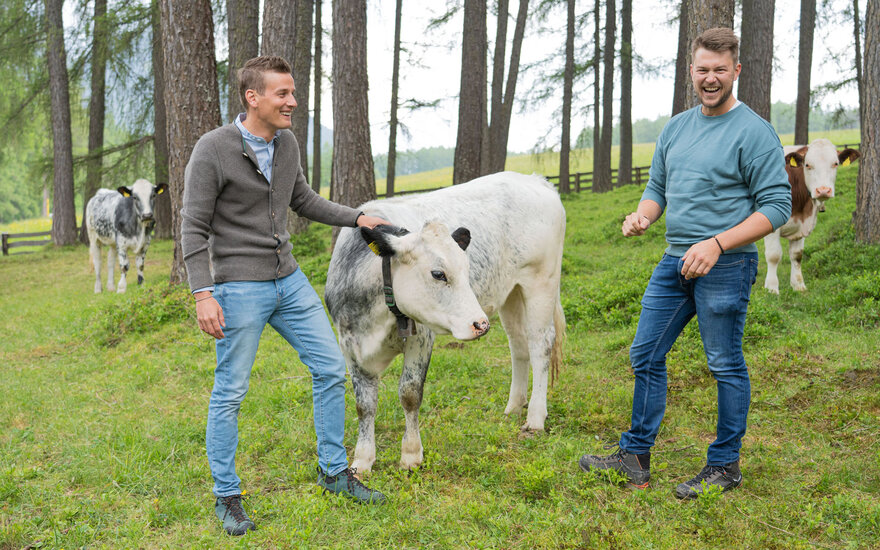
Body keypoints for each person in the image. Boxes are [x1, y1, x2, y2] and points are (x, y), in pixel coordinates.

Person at [577, 28, 791, 499]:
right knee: (645, 354)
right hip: (674, 262)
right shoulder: (676, 128)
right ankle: (634, 457)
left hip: (727, 266)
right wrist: (643, 216)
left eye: (719, 70)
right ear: (690, 72)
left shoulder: (754, 132)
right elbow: (659, 188)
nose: (709, 78)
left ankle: (725, 467)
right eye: (702, 70)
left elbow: (776, 206)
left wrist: (716, 244)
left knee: (724, 363)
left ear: (736, 71)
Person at [181, 56, 390, 536]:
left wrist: (357, 217)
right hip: (238, 286)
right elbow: (192, 227)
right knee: (230, 391)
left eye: (293, 93)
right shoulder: (212, 149)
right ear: (253, 97)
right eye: (283, 94)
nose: (293, 101)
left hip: (290, 281)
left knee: (330, 367)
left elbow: (303, 200)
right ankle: (227, 496)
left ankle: (334, 471)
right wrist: (202, 294)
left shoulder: (287, 142)